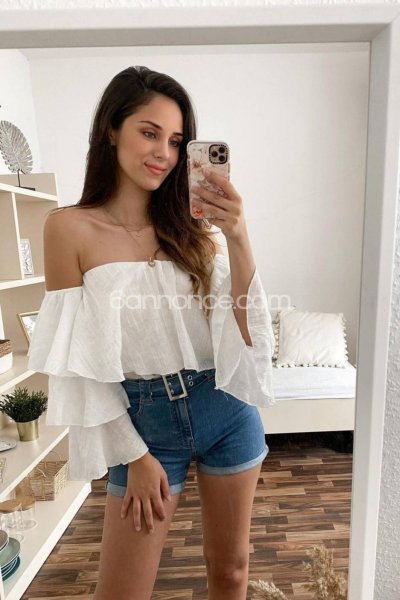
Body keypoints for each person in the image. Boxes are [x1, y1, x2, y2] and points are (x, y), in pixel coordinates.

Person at [27, 66, 276, 600]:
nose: (164, 152)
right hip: (142, 422)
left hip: (223, 406)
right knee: (121, 592)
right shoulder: (67, 228)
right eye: (149, 132)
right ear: (111, 130)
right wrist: (134, 455)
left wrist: (238, 236)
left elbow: (245, 331)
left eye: (177, 141)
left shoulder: (195, 228)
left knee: (231, 572)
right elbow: (77, 361)